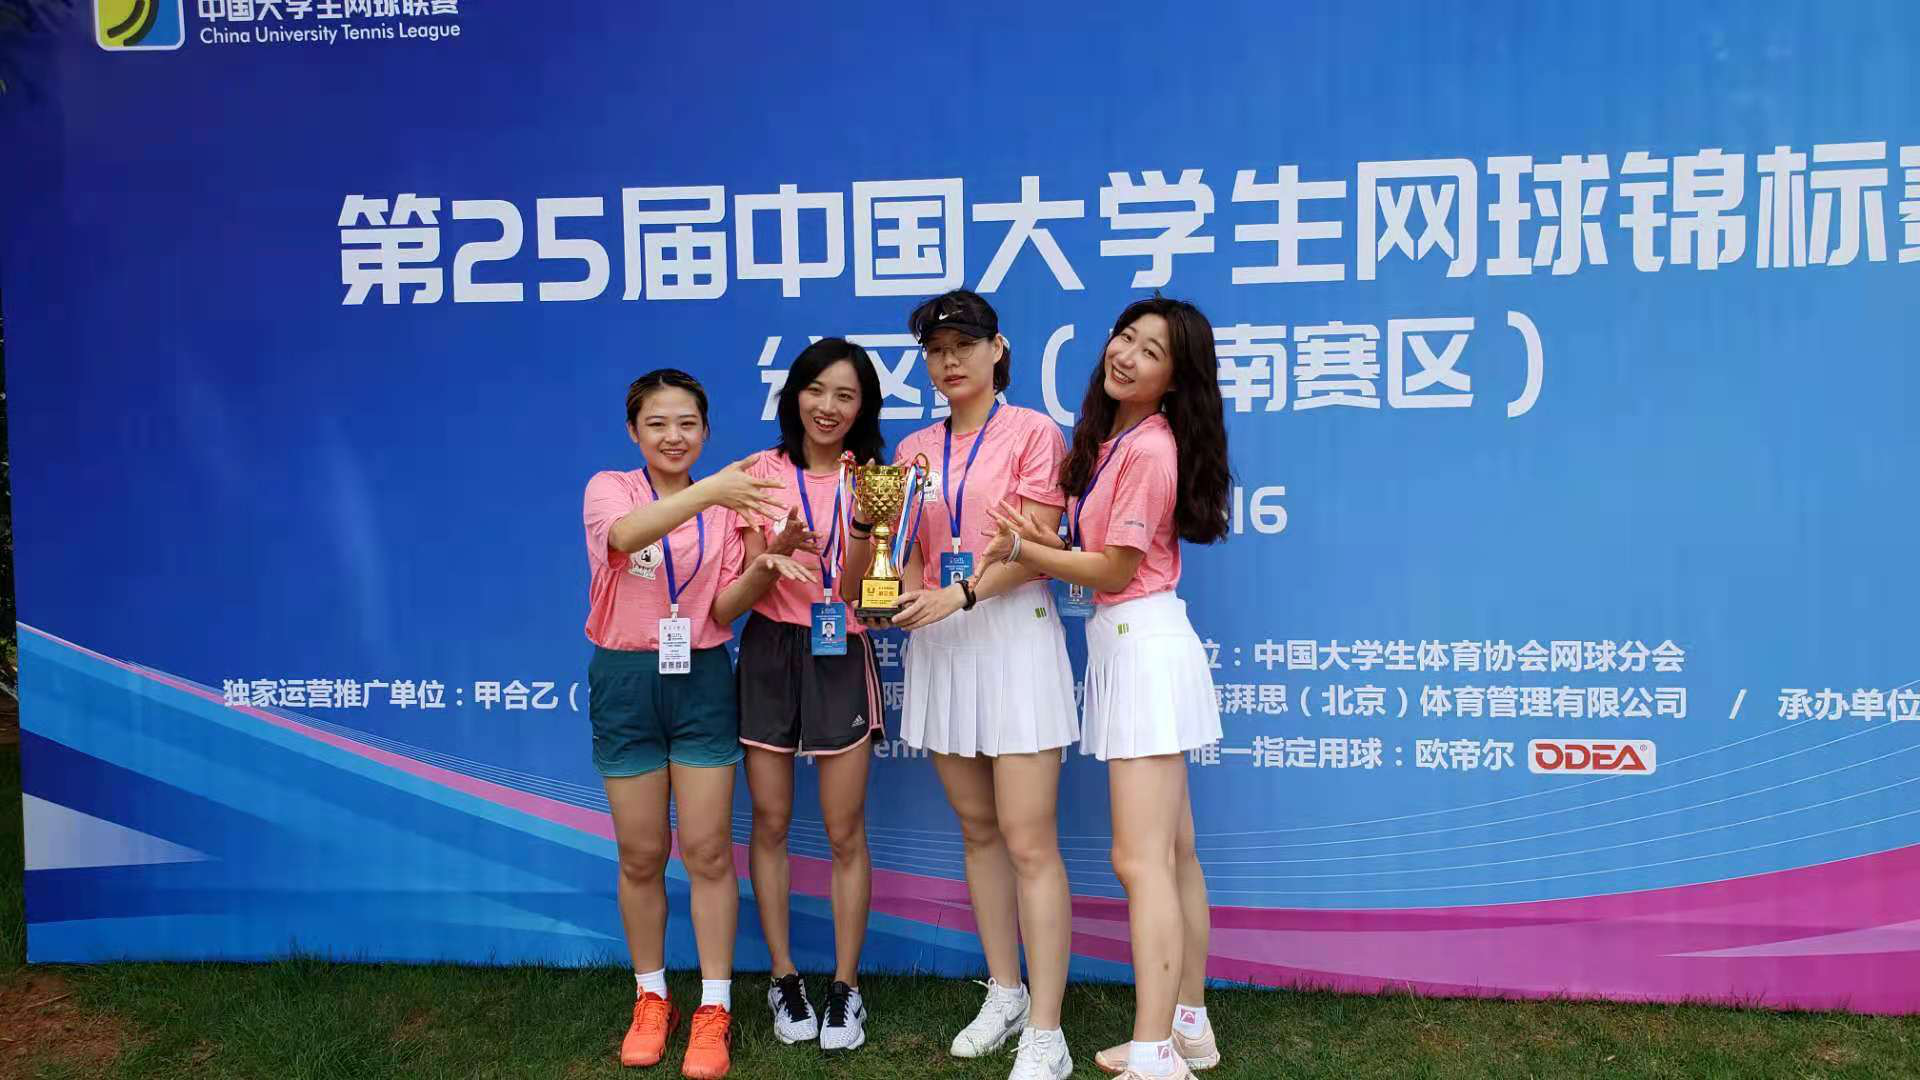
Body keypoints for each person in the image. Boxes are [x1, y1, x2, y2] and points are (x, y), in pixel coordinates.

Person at [981, 297, 1232, 1079]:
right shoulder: (1115, 439)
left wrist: (1026, 549)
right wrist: (1046, 539)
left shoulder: (1149, 448)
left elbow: (1116, 570)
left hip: (1144, 648)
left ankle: (1155, 1052)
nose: (1127, 355)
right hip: (1136, 647)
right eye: (1126, 337)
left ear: (1175, 379)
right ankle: (1187, 1026)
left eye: (1152, 351)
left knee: (1140, 861)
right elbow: (1098, 554)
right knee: (1174, 854)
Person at [848, 289, 1081, 1080]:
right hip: (943, 646)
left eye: (963, 345)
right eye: (936, 350)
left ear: (996, 350)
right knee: (978, 832)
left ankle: (1047, 1031)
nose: (949, 361)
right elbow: (913, 549)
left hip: (1014, 638)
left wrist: (962, 592)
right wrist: (902, 593)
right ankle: (1006, 991)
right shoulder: (915, 447)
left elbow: (1037, 544)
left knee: (1029, 840)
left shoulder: (1035, 433)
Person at [581, 368, 816, 1079]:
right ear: (634, 431)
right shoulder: (611, 489)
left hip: (704, 679)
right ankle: (652, 997)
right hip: (627, 681)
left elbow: (720, 609)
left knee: (709, 851)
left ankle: (715, 1006)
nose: (673, 436)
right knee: (641, 854)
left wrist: (769, 565)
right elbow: (626, 536)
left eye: (687, 423)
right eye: (657, 423)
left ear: (706, 430)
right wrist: (711, 490)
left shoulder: (725, 508)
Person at [734, 338, 889, 1052]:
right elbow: (742, 587)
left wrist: (857, 525)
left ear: (863, 408)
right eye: (816, 390)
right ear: (794, 393)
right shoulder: (756, 475)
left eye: (845, 395)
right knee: (769, 821)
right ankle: (783, 975)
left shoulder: (877, 482)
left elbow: (860, 591)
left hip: (840, 649)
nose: (828, 406)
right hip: (770, 650)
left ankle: (846, 987)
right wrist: (777, 554)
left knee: (843, 829)